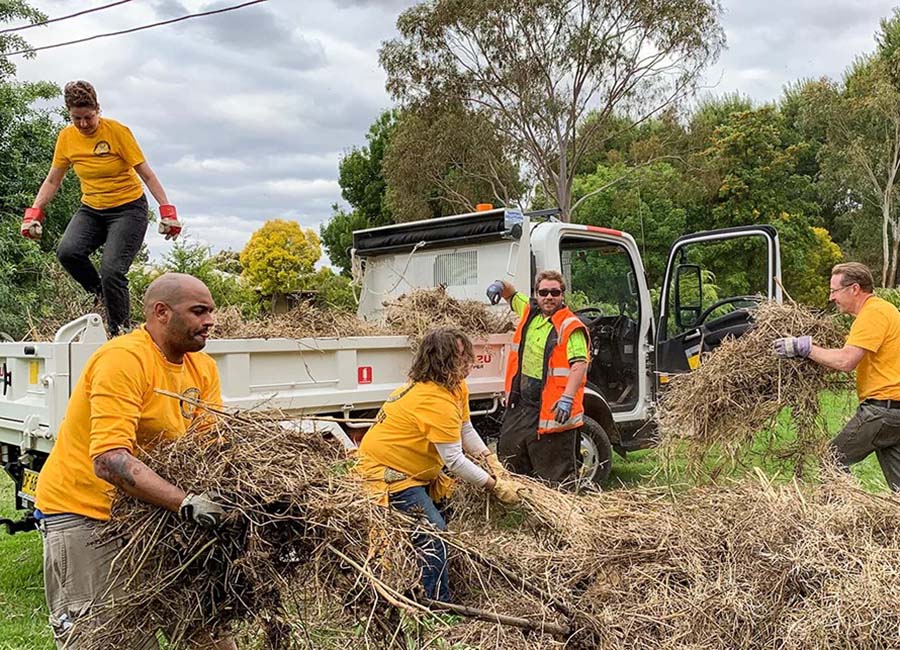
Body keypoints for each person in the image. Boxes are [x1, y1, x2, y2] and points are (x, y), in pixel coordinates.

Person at [33, 273, 234, 649]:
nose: (210, 321)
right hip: (86, 512)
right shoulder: (123, 359)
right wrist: (187, 503)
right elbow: (109, 460)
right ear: (161, 312)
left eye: (211, 311)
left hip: (149, 511)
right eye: (198, 311)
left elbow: (209, 446)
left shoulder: (201, 367)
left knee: (206, 631)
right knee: (113, 638)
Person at [356, 327, 519, 603]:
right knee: (433, 534)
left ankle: (430, 584)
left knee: (441, 519)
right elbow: (454, 461)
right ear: (441, 361)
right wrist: (494, 486)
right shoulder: (433, 400)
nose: (468, 361)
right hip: (389, 474)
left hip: (414, 471)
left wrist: (492, 462)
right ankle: (434, 604)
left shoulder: (455, 387)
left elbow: (465, 429)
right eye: (460, 356)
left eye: (467, 354)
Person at [21, 80, 182, 336]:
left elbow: (147, 174)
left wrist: (167, 211)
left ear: (98, 109)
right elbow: (53, 180)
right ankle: (102, 296)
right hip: (92, 209)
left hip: (128, 209)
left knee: (112, 270)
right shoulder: (66, 138)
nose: (83, 124)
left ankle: (120, 333)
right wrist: (33, 214)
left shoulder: (117, 132)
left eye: (88, 117)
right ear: (69, 113)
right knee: (68, 252)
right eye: (77, 118)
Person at [774, 262, 900, 491]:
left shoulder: (872, 314)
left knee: (831, 459)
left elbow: (845, 361)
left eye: (834, 291)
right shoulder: (883, 310)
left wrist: (805, 348)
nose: (831, 297)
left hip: (882, 410)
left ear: (854, 289)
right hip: (894, 413)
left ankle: (842, 512)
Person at [486, 270, 590, 485]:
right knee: (511, 460)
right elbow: (510, 292)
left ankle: (558, 506)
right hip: (523, 405)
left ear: (562, 295)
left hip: (554, 410)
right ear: (536, 294)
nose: (549, 297)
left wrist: (567, 398)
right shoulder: (530, 311)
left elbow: (579, 364)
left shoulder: (569, 325)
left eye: (554, 292)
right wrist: (499, 285)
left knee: (556, 477)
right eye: (543, 292)